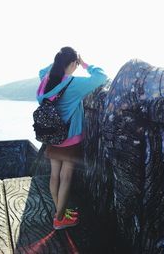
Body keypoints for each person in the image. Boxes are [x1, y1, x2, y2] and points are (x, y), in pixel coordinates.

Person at [36, 46, 107, 230]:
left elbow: (42, 70)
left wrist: (60, 61)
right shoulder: (73, 84)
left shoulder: (46, 80)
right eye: (75, 63)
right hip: (69, 137)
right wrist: (84, 64)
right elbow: (101, 77)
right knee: (65, 177)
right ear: (73, 63)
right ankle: (59, 219)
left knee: (54, 175)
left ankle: (59, 211)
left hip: (51, 135)